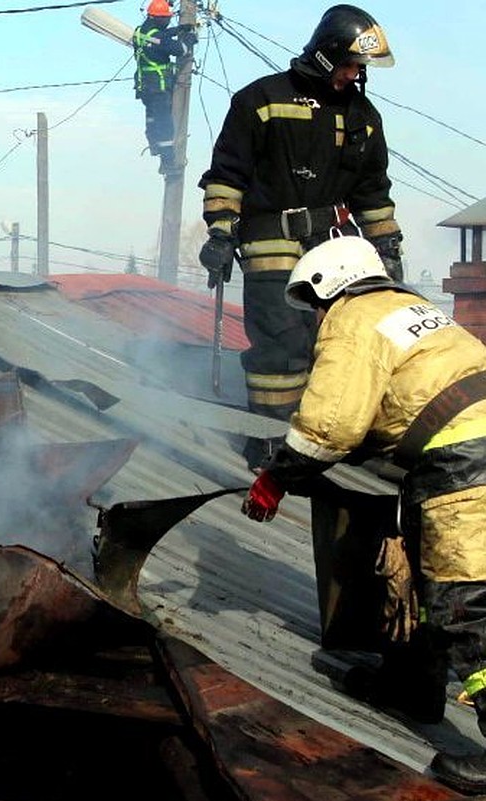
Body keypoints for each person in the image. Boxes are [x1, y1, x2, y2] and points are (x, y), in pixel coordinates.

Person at [240, 235, 486, 793]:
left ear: (331, 287)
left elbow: (331, 425)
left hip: (465, 465)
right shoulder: (414, 310)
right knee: (429, 580)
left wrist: (275, 480)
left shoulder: (353, 320)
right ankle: (411, 686)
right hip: (466, 452)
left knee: (465, 604)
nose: (316, 316)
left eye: (315, 302)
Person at [197, 5, 402, 469]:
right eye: (350, 65)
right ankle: (270, 439)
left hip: (333, 242)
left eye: (360, 68)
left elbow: (372, 190)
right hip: (271, 238)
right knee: (281, 345)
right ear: (328, 55)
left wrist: (387, 246)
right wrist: (220, 232)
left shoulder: (363, 117)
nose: (355, 75)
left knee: (338, 339)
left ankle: (320, 437)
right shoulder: (261, 100)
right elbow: (228, 174)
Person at [132, 0, 193, 159]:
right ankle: (168, 160)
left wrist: (176, 30)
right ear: (158, 18)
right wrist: (189, 39)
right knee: (164, 123)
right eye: (167, 18)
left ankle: (155, 147)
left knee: (152, 120)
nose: (168, 21)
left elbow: (158, 35)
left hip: (144, 86)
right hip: (158, 86)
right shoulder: (158, 38)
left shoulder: (140, 32)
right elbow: (180, 50)